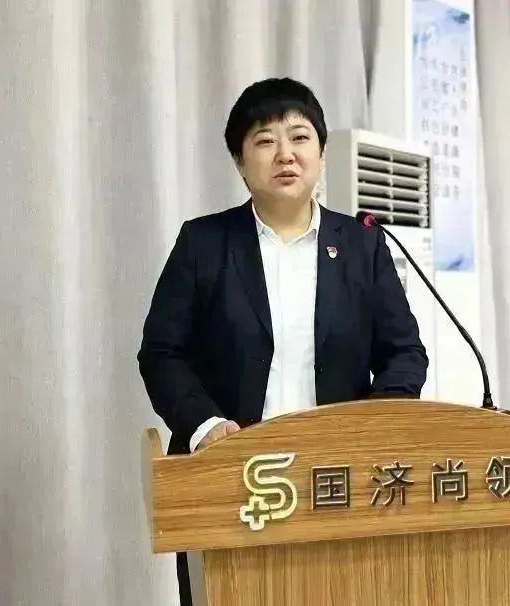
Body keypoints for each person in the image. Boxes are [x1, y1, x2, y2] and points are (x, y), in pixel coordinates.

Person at [136, 77, 428, 605]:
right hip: (233, 476)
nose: (285, 154)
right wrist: (205, 426)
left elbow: (405, 353)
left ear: (321, 153)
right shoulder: (203, 243)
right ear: (240, 163)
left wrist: (373, 425)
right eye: (265, 141)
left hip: (336, 476)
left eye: (299, 137)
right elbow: (162, 352)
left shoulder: (362, 243)